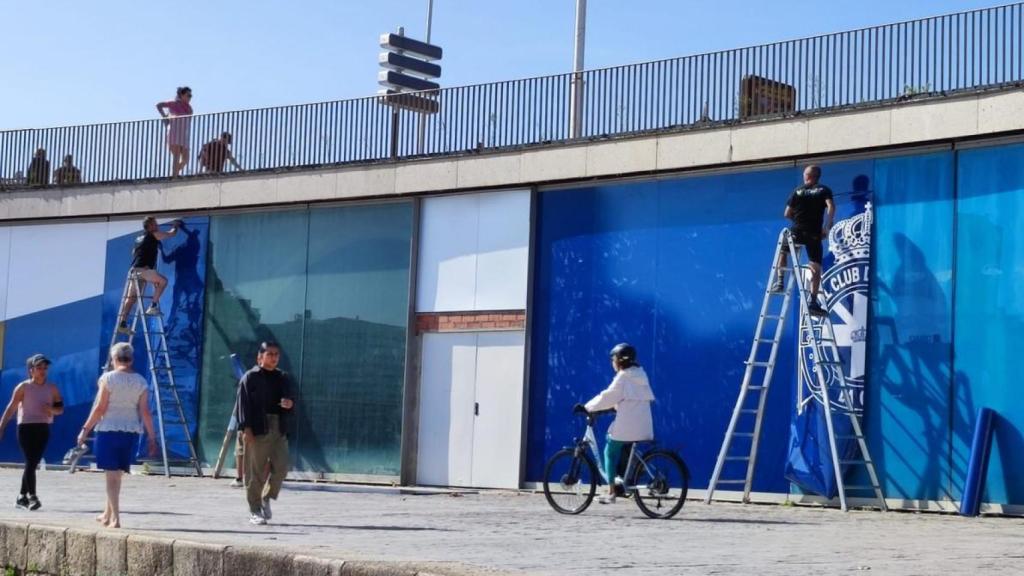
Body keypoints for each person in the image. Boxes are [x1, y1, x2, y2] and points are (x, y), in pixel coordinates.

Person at [77, 343, 157, 528]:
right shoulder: (141, 382)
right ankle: (107, 514)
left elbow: (100, 408)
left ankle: (116, 518)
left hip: (108, 430)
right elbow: (145, 411)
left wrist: (85, 429)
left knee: (110, 476)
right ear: (131, 359)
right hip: (130, 432)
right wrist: (152, 437)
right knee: (117, 475)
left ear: (114, 359)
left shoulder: (108, 378)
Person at [583, 343, 656, 505]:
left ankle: (611, 492)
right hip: (643, 425)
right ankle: (628, 474)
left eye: (614, 359)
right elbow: (628, 400)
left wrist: (587, 407)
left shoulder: (623, 377)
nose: (612, 362)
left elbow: (608, 396)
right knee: (623, 445)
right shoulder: (640, 375)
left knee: (609, 450)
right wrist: (615, 407)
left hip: (628, 426)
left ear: (621, 360)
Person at [237, 341, 295, 525]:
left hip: (279, 427)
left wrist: (289, 404)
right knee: (255, 472)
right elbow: (242, 405)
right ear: (259, 357)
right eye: (269, 354)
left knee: (282, 467)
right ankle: (254, 510)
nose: (274, 357)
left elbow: (291, 401)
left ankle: (267, 497)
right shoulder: (250, 378)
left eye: (276, 354)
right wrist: (246, 429)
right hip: (257, 428)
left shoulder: (283, 377)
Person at [0, 354, 64, 510]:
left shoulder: (52, 388)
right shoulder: (23, 387)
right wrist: (1, 427)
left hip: (43, 427)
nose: (42, 371)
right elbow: (11, 408)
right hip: (26, 427)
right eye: (39, 367)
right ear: (31, 370)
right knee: (31, 461)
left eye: (45, 368)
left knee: (32, 463)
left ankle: (21, 497)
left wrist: (51, 409)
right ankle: (33, 496)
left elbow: (60, 409)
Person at [771, 165, 835, 317]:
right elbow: (831, 207)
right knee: (816, 266)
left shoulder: (798, 191)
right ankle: (813, 302)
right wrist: (826, 226)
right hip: (814, 233)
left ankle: (780, 282)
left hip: (797, 231)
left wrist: (800, 220)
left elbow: (787, 213)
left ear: (807, 176)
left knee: (783, 252)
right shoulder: (824, 190)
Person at [116, 217, 180, 334]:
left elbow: (134, 253)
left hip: (134, 271)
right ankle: (153, 306)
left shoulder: (139, 238)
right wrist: (176, 225)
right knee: (163, 281)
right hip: (144, 270)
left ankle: (122, 323)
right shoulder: (153, 235)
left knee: (131, 299)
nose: (157, 226)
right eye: (155, 224)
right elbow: (171, 234)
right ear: (150, 226)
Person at [156, 87, 194, 178]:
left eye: (191, 96)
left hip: (184, 134)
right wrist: (164, 117)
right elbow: (159, 105)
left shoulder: (189, 108)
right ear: (181, 95)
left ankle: (174, 174)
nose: (190, 97)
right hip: (175, 131)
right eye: (188, 95)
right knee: (176, 156)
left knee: (186, 159)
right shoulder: (174, 103)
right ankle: (174, 177)